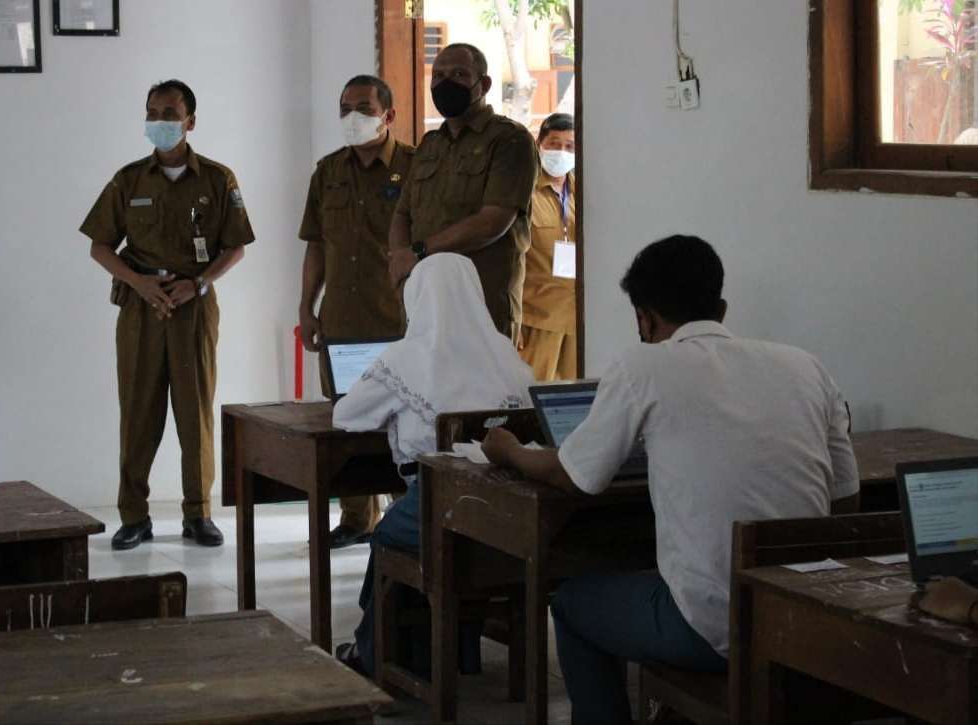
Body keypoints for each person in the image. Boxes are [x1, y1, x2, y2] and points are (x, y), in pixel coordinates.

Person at [482, 235, 860, 724]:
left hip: (713, 628)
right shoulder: (804, 365)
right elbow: (845, 502)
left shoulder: (644, 364)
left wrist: (510, 452)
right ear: (721, 308)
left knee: (573, 603)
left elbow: (575, 476)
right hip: (803, 619)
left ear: (644, 317)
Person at [331, 253, 536, 677]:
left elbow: (346, 415)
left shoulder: (407, 357)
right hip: (507, 510)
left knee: (389, 533)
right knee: (426, 536)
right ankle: (456, 652)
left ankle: (375, 653)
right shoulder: (505, 353)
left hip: (441, 505)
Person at [80, 79, 254, 550]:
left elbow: (235, 246)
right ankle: (134, 516)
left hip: (193, 307)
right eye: (152, 112)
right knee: (138, 413)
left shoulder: (218, 180)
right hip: (141, 308)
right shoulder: (129, 179)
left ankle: (198, 514)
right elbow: (100, 246)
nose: (160, 121)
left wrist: (197, 283)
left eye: (170, 113)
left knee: (194, 413)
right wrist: (139, 283)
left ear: (190, 121)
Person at [298, 75, 414, 549]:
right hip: (343, 320)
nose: (353, 117)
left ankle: (408, 516)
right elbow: (316, 246)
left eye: (363, 107)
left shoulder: (416, 167)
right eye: (345, 107)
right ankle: (356, 518)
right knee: (348, 418)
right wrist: (306, 307)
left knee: (406, 416)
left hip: (399, 318)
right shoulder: (327, 171)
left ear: (389, 115)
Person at [387, 43, 538, 339]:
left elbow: (492, 222)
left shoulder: (510, 140)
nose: (446, 83)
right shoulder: (431, 145)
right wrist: (399, 261)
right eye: (438, 75)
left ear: (483, 85)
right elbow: (403, 213)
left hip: (481, 302)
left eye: (459, 74)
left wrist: (417, 253)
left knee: (483, 386)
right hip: (425, 298)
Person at [519, 112, 578, 380]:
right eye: (554, 144)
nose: (561, 152)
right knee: (532, 400)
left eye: (569, 146)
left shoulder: (586, 192)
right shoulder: (522, 192)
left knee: (576, 400)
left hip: (578, 320)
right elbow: (508, 259)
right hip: (535, 320)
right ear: (539, 143)